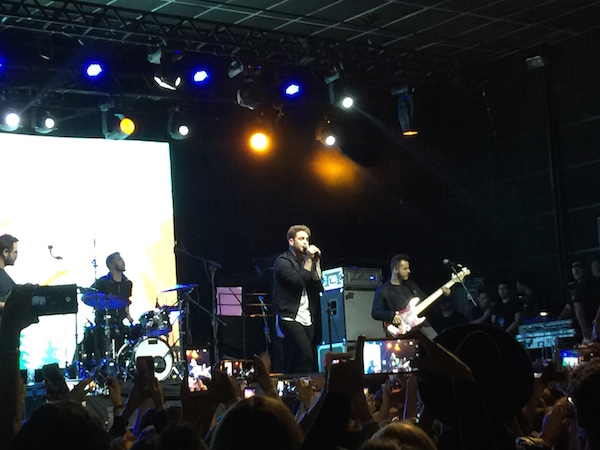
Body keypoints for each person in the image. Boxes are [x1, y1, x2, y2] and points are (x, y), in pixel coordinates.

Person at [273, 225, 323, 374]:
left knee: (297, 360)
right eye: (301, 239)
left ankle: (294, 385)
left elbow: (317, 285)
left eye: (307, 239)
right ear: (291, 241)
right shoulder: (282, 262)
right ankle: (304, 386)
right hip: (289, 317)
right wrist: (308, 260)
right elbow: (298, 282)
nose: (305, 242)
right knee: (306, 356)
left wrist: (316, 262)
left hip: (306, 316)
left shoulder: (306, 262)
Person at [371, 254, 441, 339]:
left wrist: (442, 293)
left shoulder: (411, 285)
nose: (409, 271)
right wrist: (392, 316)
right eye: (405, 269)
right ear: (396, 270)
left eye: (408, 268)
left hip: (420, 325)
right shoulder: (383, 290)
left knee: (436, 342)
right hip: (400, 329)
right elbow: (375, 313)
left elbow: (425, 300)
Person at [91, 252, 134, 357]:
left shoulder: (127, 283)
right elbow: (89, 296)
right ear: (111, 265)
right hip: (103, 323)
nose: (123, 262)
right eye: (119, 260)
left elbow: (126, 301)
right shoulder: (102, 282)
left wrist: (129, 316)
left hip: (119, 322)